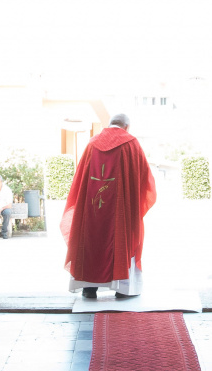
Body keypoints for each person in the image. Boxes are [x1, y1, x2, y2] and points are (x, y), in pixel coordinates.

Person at [61, 113, 157, 298]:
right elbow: (144, 178)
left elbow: (79, 180)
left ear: (110, 124)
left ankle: (89, 288)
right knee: (121, 241)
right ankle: (122, 289)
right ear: (127, 127)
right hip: (121, 210)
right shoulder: (131, 144)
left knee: (91, 242)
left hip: (91, 209)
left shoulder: (92, 144)